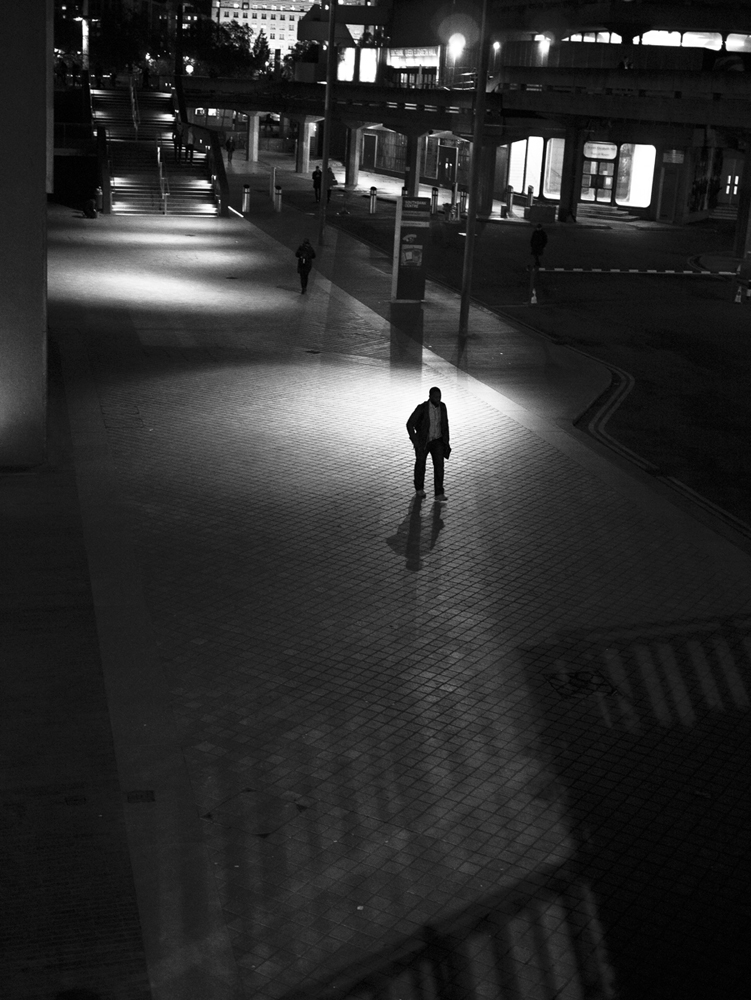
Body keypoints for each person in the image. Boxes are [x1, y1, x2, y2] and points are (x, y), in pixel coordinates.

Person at [406, 387, 451, 502]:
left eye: (439, 397)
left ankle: (439, 493)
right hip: (424, 442)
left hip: (438, 441)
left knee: (439, 467)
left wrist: (446, 442)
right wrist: (415, 441)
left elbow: (445, 425)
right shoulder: (422, 408)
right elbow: (409, 424)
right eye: (436, 397)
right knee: (420, 465)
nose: (438, 399)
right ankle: (419, 488)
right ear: (430, 397)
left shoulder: (443, 407)